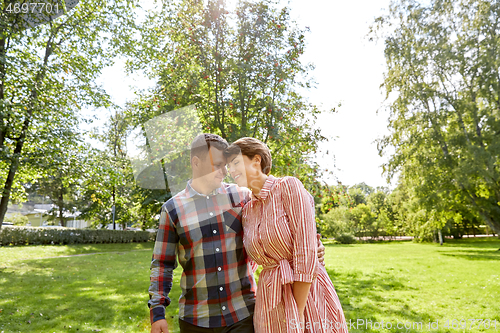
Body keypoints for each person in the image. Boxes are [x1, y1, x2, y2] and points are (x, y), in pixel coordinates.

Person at [148, 133, 325, 333]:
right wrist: (157, 311)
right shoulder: (173, 209)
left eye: (227, 164)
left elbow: (290, 211)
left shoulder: (242, 197)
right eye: (218, 165)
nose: (225, 171)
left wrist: (311, 244)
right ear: (196, 163)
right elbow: (162, 264)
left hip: (243, 315)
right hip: (196, 319)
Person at [225, 137, 348, 333]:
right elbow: (250, 260)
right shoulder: (247, 210)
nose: (231, 171)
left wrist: (296, 313)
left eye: (236, 163)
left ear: (256, 160)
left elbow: (306, 252)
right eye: (228, 166)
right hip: (269, 301)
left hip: (305, 294)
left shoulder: (288, 187)